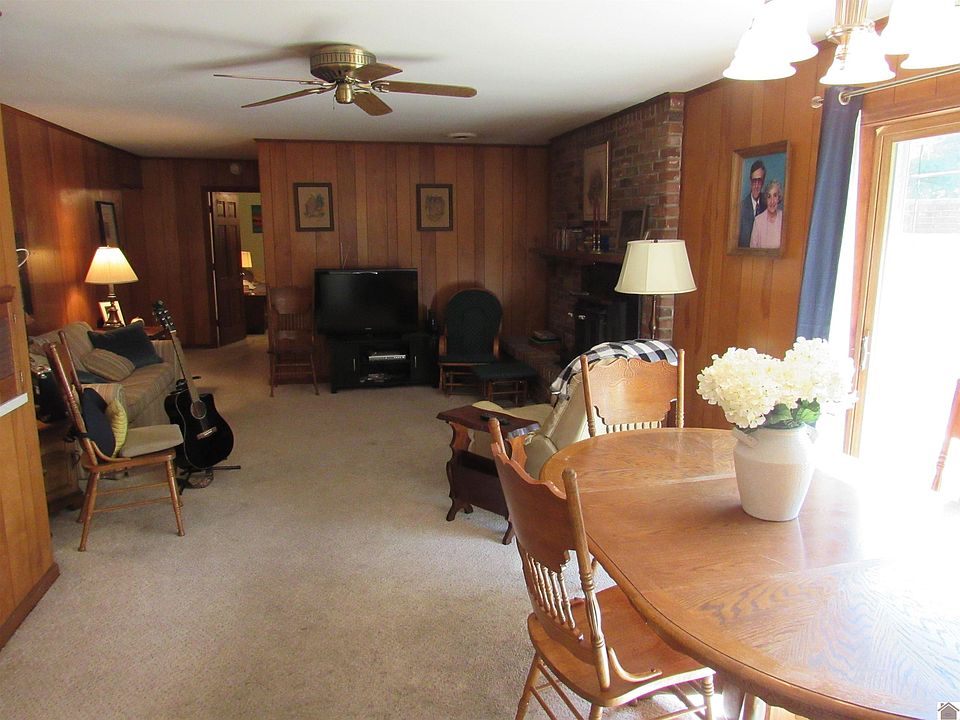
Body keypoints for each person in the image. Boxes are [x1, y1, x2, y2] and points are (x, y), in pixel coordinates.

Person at [738, 160, 766, 248]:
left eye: (759, 181)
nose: (756, 186)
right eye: (754, 181)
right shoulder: (741, 208)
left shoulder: (768, 205)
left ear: (763, 182)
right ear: (750, 181)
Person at [750, 180, 783, 249]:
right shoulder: (758, 221)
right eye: (769, 196)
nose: (772, 201)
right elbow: (752, 250)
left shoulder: (784, 218)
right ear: (766, 199)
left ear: (779, 198)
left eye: (775, 196)